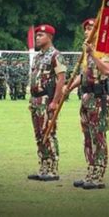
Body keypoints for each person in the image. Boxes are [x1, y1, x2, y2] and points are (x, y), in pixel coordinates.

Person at [66, 18, 109, 189]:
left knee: (98, 136)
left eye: (91, 28)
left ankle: (99, 175)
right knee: (87, 137)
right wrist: (69, 87)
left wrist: (93, 53)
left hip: (99, 99)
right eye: (86, 29)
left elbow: (107, 70)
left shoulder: (105, 50)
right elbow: (84, 75)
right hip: (86, 99)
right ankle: (91, 169)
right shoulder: (86, 53)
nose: (87, 32)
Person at [27, 24, 66, 181]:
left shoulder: (56, 55)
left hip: (47, 99)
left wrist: (55, 101)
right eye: (36, 35)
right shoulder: (37, 57)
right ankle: (43, 165)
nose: (37, 37)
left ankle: (52, 168)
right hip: (36, 99)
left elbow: (61, 78)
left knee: (48, 133)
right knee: (38, 134)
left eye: (41, 35)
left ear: (50, 37)